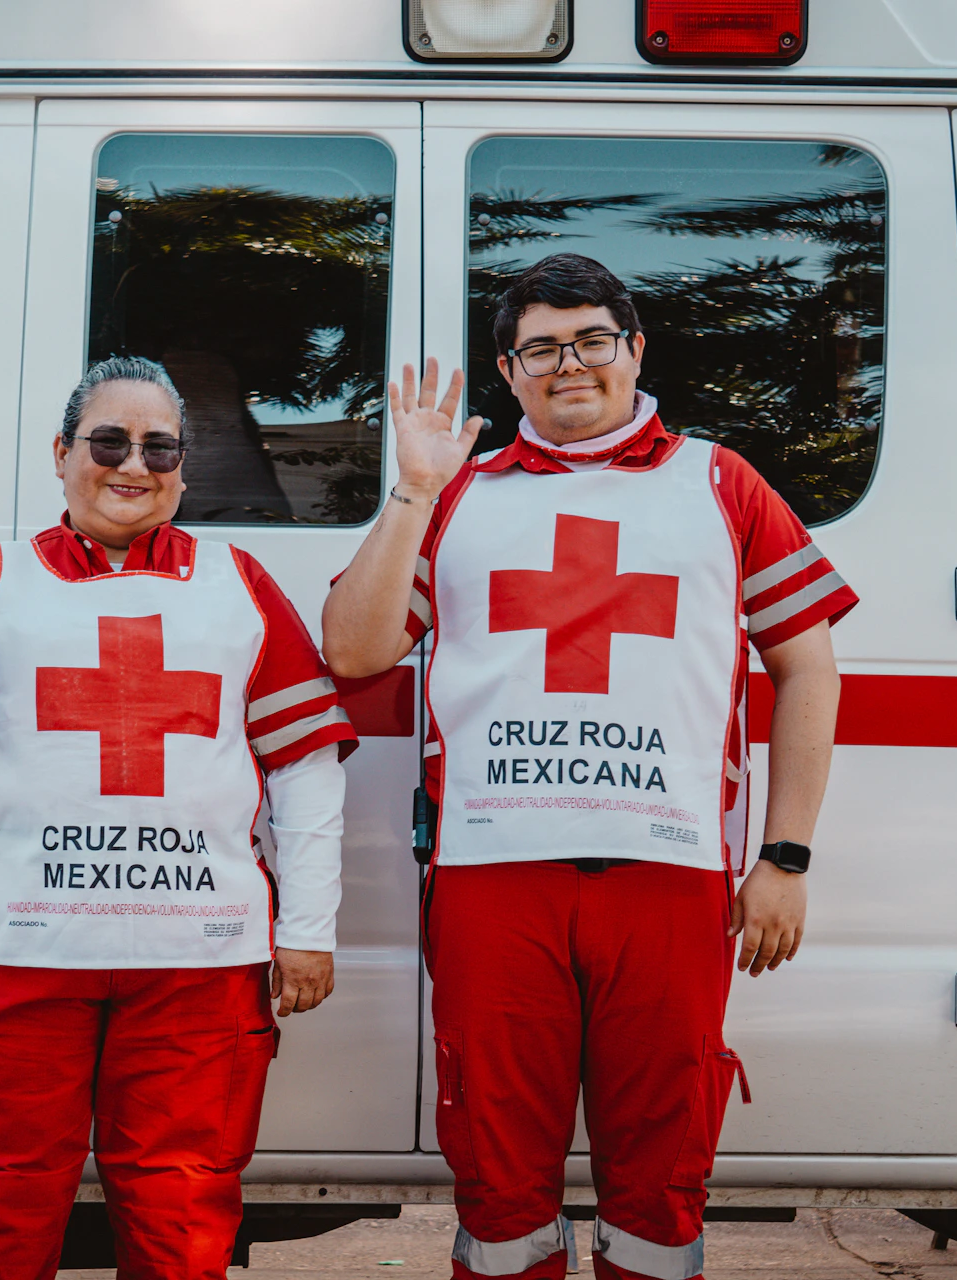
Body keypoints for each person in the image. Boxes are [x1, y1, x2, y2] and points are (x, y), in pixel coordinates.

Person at [323, 254, 853, 1280]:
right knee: (498, 1178)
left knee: (661, 1176)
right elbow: (354, 648)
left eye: (592, 339)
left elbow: (807, 666)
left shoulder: (721, 480)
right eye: (540, 347)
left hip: (670, 871)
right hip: (493, 875)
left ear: (635, 348)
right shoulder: (457, 494)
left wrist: (784, 853)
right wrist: (412, 490)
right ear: (508, 370)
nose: (569, 364)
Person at [0, 355, 357, 1280]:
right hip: (23, 950)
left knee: (184, 1221)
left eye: (160, 447)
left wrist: (309, 929)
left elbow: (306, 763)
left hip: (198, 957)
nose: (134, 465)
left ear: (185, 467)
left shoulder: (238, 581)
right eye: (109, 441)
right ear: (63, 452)